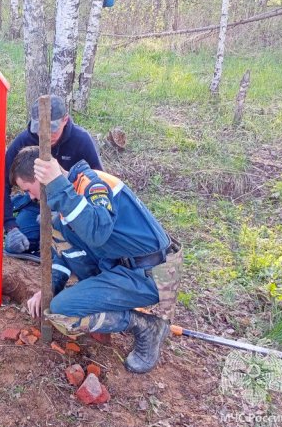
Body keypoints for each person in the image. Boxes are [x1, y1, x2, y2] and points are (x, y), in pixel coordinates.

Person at [9, 146, 173, 373]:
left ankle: (147, 326)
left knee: (62, 311)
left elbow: (97, 231)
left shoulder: (93, 186)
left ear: (42, 177)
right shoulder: (67, 201)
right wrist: (48, 289)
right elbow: (64, 254)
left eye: (28, 189)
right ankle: (105, 301)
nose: (30, 197)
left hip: (157, 274)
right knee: (58, 240)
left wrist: (56, 184)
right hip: (121, 267)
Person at [3, 95, 102, 256]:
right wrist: (10, 226)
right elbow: (2, 184)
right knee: (20, 243)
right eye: (40, 129)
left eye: (52, 129)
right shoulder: (24, 141)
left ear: (65, 120)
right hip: (36, 208)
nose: (46, 135)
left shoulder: (81, 140)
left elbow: (98, 181)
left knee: (81, 245)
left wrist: (64, 214)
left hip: (71, 206)